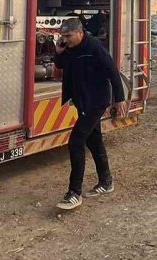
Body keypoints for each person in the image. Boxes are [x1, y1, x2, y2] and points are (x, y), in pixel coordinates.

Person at [53, 18, 127, 210]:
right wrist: (58, 52)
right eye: (63, 36)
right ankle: (106, 181)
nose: (65, 40)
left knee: (76, 142)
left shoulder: (95, 47)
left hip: (96, 101)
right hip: (81, 100)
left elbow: (112, 72)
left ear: (80, 33)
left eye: (68, 36)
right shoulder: (69, 48)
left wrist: (119, 99)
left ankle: (74, 193)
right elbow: (60, 65)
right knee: (94, 141)